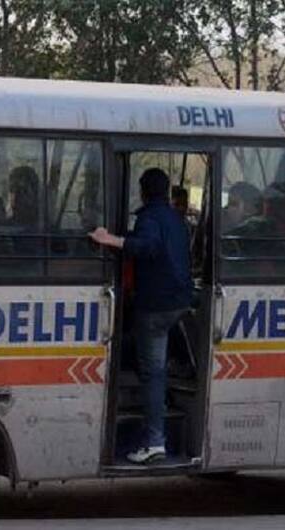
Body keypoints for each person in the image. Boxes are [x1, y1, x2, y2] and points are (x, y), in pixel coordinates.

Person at [89, 167, 193, 464]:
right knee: (146, 356)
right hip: (178, 303)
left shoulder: (149, 218)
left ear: (143, 191)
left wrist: (110, 240)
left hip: (156, 307)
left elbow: (147, 246)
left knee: (152, 373)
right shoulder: (174, 218)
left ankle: (154, 441)